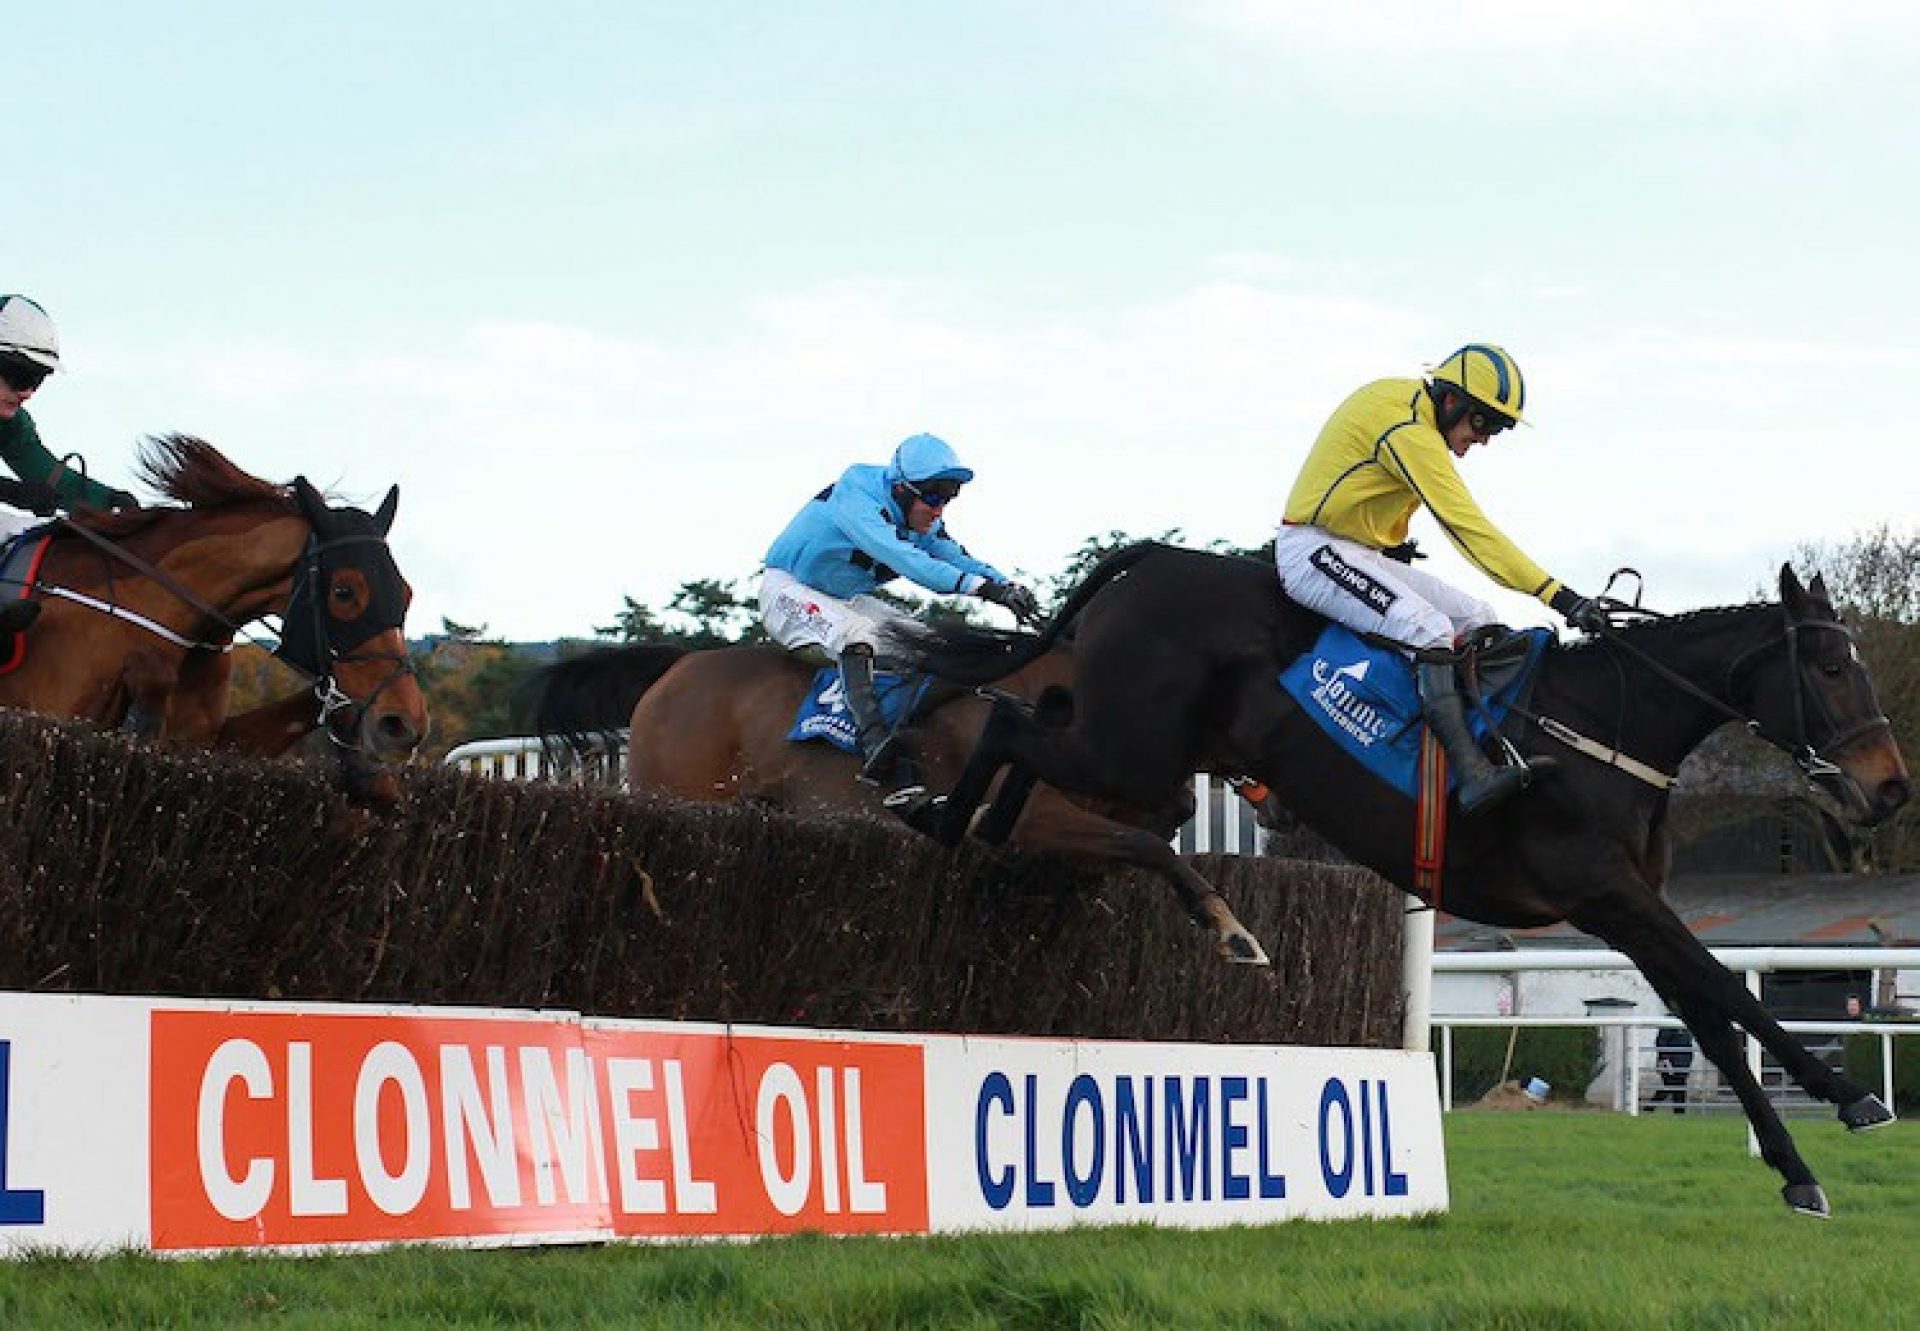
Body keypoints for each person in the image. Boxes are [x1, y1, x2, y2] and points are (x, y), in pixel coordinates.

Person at [1274, 343, 1607, 814]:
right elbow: (1470, 532)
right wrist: (1561, 598)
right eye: (1483, 423)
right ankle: (1469, 773)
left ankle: (1485, 743)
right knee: (1430, 629)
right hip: (1311, 549)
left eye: (1497, 429)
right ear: (1451, 401)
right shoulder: (1411, 433)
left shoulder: (1416, 412)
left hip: (1353, 548)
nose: (1485, 439)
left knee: (1477, 616)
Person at [761, 432, 1037, 789]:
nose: (938, 510)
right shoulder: (857, 501)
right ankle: (874, 743)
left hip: (844, 599)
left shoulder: (921, 517)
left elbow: (957, 558)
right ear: (901, 489)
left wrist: (1007, 587)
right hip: (788, 590)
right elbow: (911, 562)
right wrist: (983, 589)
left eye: (948, 498)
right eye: (933, 497)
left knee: (929, 642)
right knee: (857, 634)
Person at [0, 294, 140, 655]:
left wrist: (106, 499)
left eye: (38, 379)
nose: (27, 393)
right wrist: (12, 492)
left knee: (24, 533)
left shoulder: (12, 422)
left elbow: (44, 470)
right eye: (20, 376)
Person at [1653, 1023, 1694, 1113]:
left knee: (1677, 1088)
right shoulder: (1670, 1023)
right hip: (1671, 1063)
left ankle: (1679, 1112)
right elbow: (1661, 1042)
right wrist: (1665, 1060)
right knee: (1672, 1087)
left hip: (1682, 1063)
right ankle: (1649, 1107)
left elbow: (1687, 1044)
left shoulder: (1684, 1025)